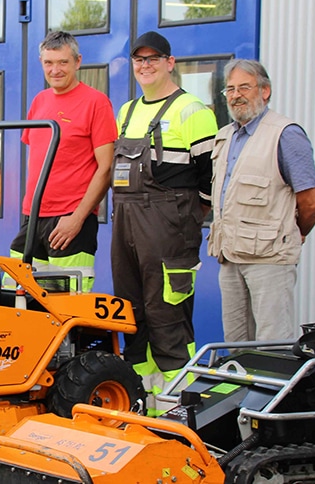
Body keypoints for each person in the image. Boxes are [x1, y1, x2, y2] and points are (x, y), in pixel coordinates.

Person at [111, 31, 218, 416]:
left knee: (167, 318)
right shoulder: (126, 112)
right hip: (126, 225)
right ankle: (144, 405)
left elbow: (210, 179)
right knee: (132, 317)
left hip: (168, 229)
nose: (145, 65)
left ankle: (179, 410)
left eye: (153, 58)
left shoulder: (193, 111)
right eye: (139, 60)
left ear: (170, 63)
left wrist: (182, 217)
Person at [208, 59, 315, 343]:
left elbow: (311, 200)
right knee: (236, 343)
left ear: (265, 91)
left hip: (269, 259)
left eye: (244, 87)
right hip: (229, 256)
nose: (236, 95)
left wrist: (296, 232)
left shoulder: (286, 134)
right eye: (230, 89)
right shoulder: (225, 137)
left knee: (273, 344)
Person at [8, 31, 117, 292]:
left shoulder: (96, 103)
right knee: (18, 297)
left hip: (70, 220)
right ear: (41, 62)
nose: (55, 70)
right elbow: (38, 159)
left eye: (63, 62)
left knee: (66, 303)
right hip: (33, 216)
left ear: (78, 62)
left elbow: (106, 168)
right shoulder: (39, 101)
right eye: (49, 62)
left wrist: (77, 218)